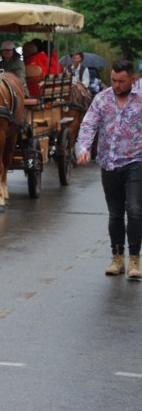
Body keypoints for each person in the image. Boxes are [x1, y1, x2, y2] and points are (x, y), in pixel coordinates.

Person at [77, 59, 142, 280]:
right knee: (115, 213)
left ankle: (134, 260)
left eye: (121, 81)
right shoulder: (101, 99)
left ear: (132, 79)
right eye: (113, 80)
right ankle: (117, 258)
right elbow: (89, 124)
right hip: (109, 163)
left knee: (134, 209)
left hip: (135, 161)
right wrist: (84, 148)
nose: (116, 85)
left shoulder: (140, 100)